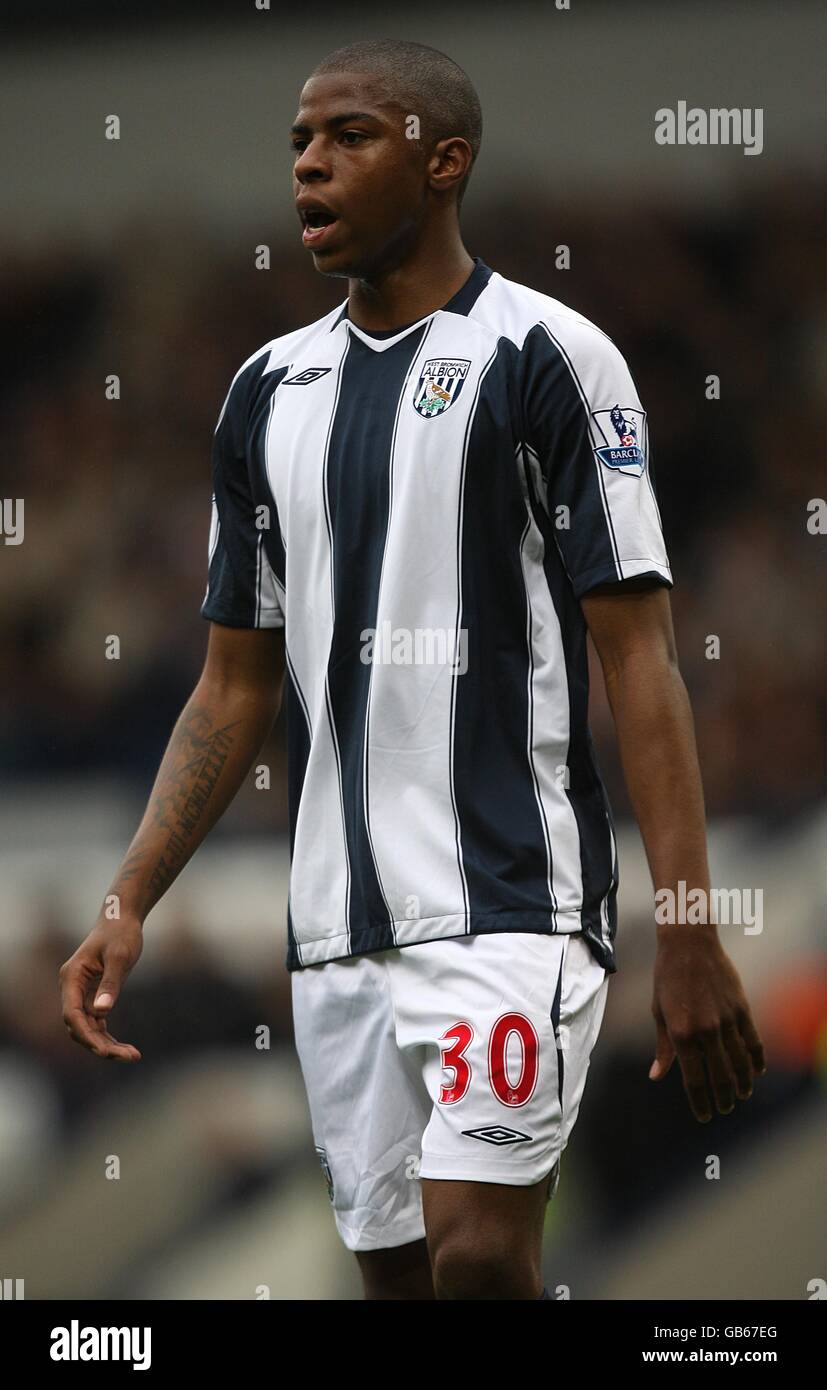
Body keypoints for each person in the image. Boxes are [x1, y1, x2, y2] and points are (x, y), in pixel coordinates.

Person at [59, 38, 766, 1301]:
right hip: (334, 932)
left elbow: (641, 660)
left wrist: (695, 931)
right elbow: (232, 687)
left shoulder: (548, 358)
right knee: (393, 1286)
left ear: (445, 163)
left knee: (483, 1258)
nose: (310, 170)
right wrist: (128, 894)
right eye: (297, 145)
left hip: (511, 902)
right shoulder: (264, 393)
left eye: (348, 138)